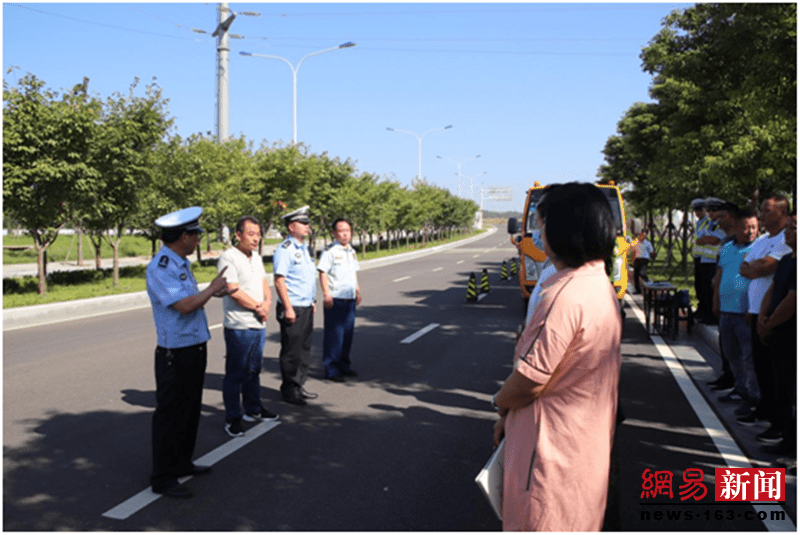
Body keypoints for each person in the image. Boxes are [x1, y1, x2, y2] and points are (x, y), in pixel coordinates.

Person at [491, 183, 622, 531]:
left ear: (562, 228)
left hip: (548, 454)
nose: (537, 231)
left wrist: (499, 403)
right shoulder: (597, 282)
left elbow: (530, 381)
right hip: (582, 446)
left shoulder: (564, 294)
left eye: (541, 221)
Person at [146, 206, 231, 499]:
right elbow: (183, 306)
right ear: (183, 236)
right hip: (175, 353)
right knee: (170, 415)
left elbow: (191, 299)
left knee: (190, 409)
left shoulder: (180, 263)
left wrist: (214, 292)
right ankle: (163, 477)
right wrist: (211, 288)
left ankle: (182, 462)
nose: (198, 240)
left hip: (193, 346)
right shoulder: (161, 267)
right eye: (195, 235)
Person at [217, 215, 278, 438]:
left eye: (258, 234)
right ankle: (233, 418)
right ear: (238, 235)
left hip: (257, 324)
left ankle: (253, 409)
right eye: (250, 234)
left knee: (254, 370)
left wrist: (268, 303)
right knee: (236, 373)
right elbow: (233, 289)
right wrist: (257, 307)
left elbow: (264, 284)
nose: (255, 239)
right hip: (239, 326)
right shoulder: (228, 258)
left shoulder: (257, 258)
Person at [740, 196, 792, 443]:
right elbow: (746, 266)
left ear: (783, 213)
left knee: (777, 375)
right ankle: (766, 410)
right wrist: (756, 267)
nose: (760, 214)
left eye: (766, 210)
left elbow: (764, 267)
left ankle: (779, 423)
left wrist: (757, 267)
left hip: (776, 319)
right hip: (757, 313)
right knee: (761, 366)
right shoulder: (762, 240)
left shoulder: (787, 242)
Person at [756, 211, 796, 462]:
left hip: (791, 335)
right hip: (779, 334)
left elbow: (793, 300)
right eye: (790, 226)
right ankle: (787, 439)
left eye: (795, 227)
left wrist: (770, 321)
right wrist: (763, 315)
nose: (790, 231)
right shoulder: (787, 260)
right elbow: (773, 290)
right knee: (782, 388)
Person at [712, 208, 760, 417]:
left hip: (746, 313)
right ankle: (740, 389)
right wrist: (716, 301)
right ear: (737, 228)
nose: (749, 232)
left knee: (749, 358)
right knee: (731, 354)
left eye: (753, 227)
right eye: (745, 227)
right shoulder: (727, 248)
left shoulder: (760, 248)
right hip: (727, 311)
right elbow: (720, 275)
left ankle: (754, 397)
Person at [273, 206, 318, 406]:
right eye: (303, 223)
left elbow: (306, 278)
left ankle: (299, 385)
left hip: (305, 305)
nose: (308, 226)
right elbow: (280, 280)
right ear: (292, 226)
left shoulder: (304, 249)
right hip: (293, 307)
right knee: (292, 351)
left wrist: (313, 300)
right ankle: (289, 390)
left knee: (304, 350)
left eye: (308, 223)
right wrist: (289, 308)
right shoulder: (286, 250)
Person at [317, 218, 362, 382]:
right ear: (334, 233)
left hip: (349, 299)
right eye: (341, 231)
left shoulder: (351, 251)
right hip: (335, 299)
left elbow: (353, 273)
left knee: (348, 334)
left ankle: (344, 365)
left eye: (348, 230)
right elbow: (323, 272)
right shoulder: (330, 251)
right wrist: (326, 294)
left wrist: (357, 290)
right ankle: (331, 369)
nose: (345, 234)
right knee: (334, 335)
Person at [707, 201, 740, 391]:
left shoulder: (736, 241)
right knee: (725, 342)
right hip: (723, 297)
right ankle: (726, 375)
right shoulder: (725, 241)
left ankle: (736, 382)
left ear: (732, 217)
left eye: (722, 217)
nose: (718, 221)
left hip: (736, 303)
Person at [696, 197, 727, 324]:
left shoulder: (721, 224)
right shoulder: (708, 224)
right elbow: (699, 239)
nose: (711, 213)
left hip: (715, 261)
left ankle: (713, 316)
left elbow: (715, 240)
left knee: (712, 290)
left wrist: (707, 239)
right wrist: (707, 239)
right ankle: (705, 312)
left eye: (714, 210)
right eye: (709, 210)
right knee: (703, 289)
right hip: (705, 260)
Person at [691, 198, 709, 321]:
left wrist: (700, 240)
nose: (697, 212)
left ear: (705, 210)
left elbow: (707, 239)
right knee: (699, 286)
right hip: (698, 258)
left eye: (700, 209)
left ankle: (706, 311)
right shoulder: (699, 223)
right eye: (695, 210)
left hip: (707, 258)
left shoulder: (708, 222)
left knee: (705, 287)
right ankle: (701, 309)